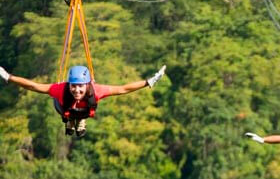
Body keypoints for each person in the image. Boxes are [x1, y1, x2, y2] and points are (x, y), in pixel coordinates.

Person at [0, 65, 166, 137]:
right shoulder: (62, 90)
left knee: (84, 107)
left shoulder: (96, 91)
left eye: (80, 87)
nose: (76, 90)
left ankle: (80, 121)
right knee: (65, 104)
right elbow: (34, 86)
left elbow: (123, 89)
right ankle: (71, 121)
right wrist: (9, 77)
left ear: (87, 85)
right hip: (64, 108)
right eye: (73, 86)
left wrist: (148, 82)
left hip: (84, 110)